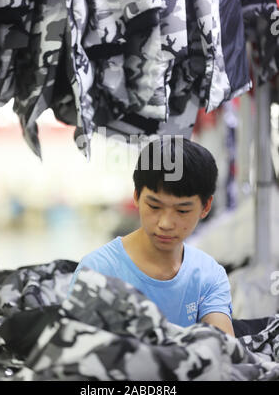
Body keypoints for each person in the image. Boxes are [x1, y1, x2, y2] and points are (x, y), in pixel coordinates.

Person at [69, 136, 235, 337]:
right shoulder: (98, 271)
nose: (165, 223)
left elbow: (224, 350)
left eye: (182, 210)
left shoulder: (209, 276)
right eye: (154, 206)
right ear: (137, 196)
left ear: (205, 207)